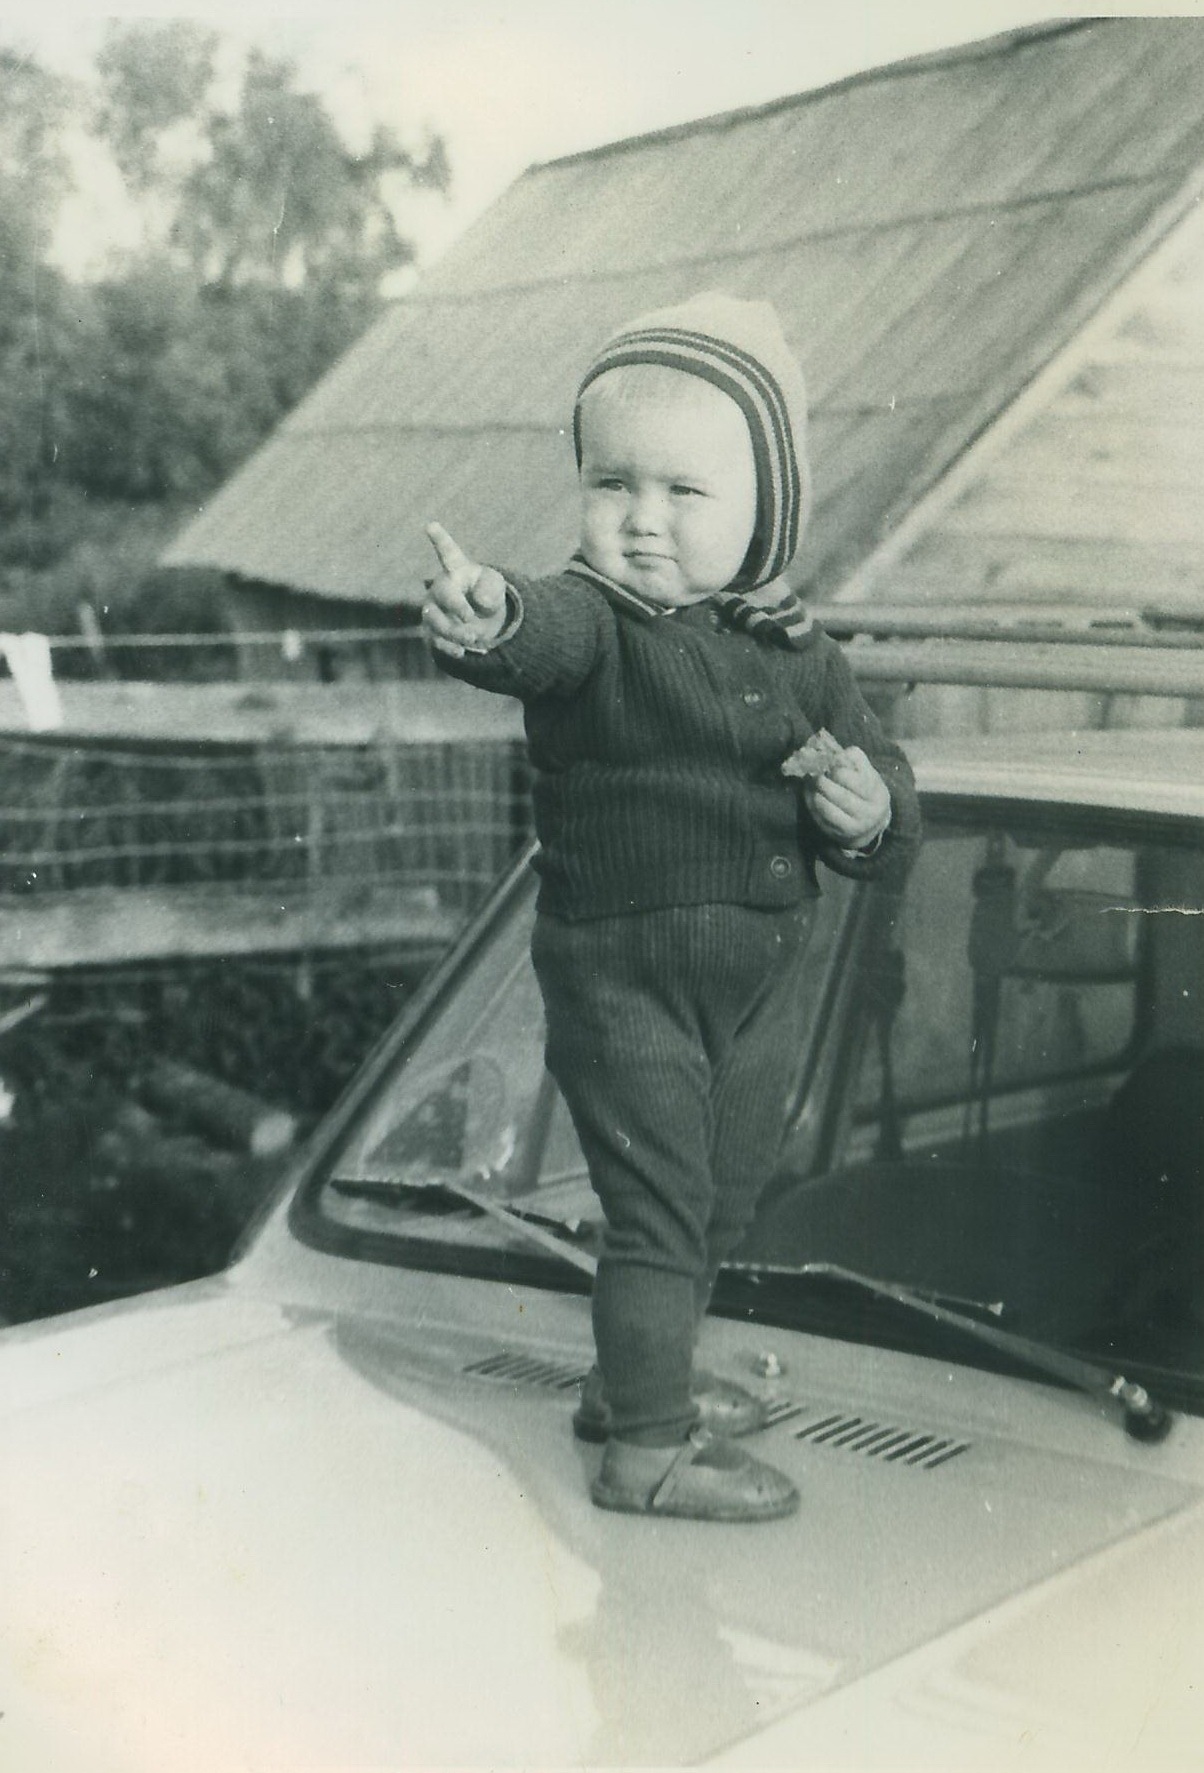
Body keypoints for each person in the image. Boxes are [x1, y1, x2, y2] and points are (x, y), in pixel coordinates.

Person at [421, 293, 920, 1521]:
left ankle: (633, 1378)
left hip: (763, 981)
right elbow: (533, 633)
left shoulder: (803, 656)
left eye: (683, 491)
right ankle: (645, 1452)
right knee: (658, 1209)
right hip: (623, 976)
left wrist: (866, 811)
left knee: (721, 1195)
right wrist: (489, 617)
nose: (641, 519)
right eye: (611, 484)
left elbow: (887, 793)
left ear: (767, 510)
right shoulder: (596, 622)